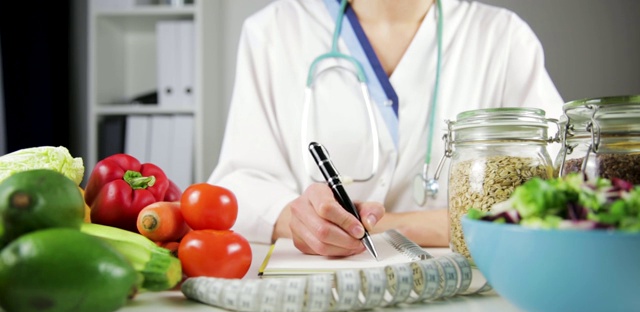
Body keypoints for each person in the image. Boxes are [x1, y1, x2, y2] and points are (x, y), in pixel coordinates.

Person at [208, 0, 564, 256]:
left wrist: (386, 224)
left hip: (463, 291)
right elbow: (239, 185)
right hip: (318, 293)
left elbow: (560, 194)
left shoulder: (502, 37)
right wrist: (299, 221)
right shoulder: (273, 30)